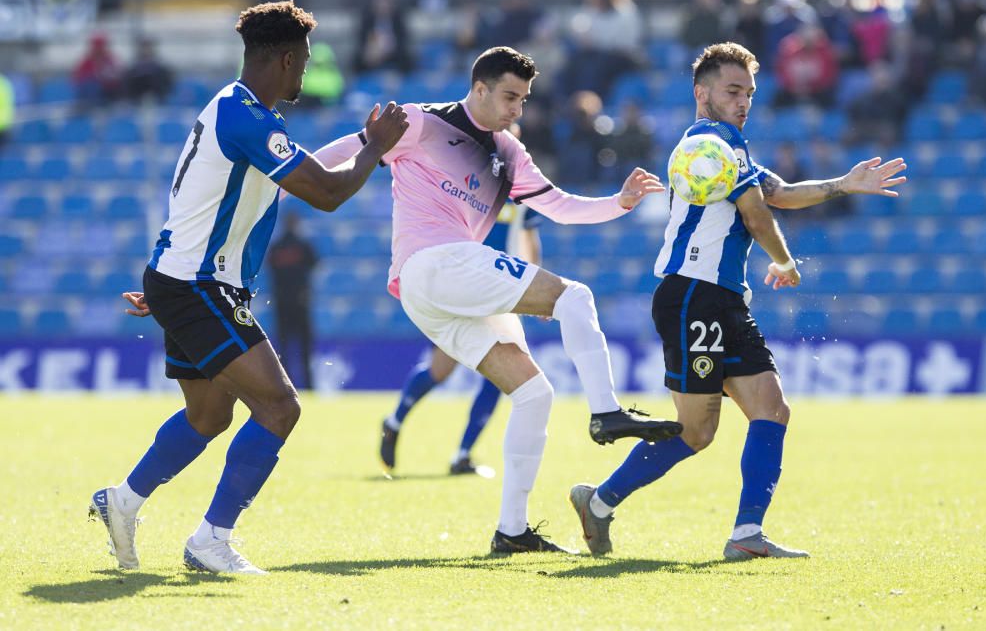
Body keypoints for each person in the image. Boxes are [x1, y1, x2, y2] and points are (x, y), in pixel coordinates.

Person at [287, 46, 682, 555]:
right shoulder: (420, 121)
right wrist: (283, 184)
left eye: (524, 98)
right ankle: (606, 413)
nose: (519, 108)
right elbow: (344, 150)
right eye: (510, 96)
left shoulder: (511, 152)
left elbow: (558, 206)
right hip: (434, 263)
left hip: (430, 291)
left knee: (534, 395)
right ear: (479, 88)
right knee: (575, 296)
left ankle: (511, 531)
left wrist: (619, 203)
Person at [89, 0, 408, 575]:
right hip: (197, 286)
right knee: (279, 406)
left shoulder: (234, 111)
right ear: (285, 58)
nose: (307, 73)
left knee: (210, 417)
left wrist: (163, 288)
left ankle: (124, 501)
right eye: (305, 62)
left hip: (186, 282)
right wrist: (376, 146)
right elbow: (329, 194)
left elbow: (198, 198)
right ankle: (211, 540)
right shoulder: (249, 120)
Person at [569, 42, 906, 561]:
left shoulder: (732, 147)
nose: (744, 100)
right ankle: (601, 501)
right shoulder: (709, 145)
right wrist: (786, 263)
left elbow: (781, 193)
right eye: (732, 90)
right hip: (693, 296)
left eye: (748, 91)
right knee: (697, 432)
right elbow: (755, 214)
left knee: (771, 409)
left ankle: (745, 534)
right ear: (701, 93)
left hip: (722, 299)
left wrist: (844, 184)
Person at [380, 200, 545, 477]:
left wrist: (537, 288)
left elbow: (529, 240)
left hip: (495, 291)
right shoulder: (467, 180)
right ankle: (394, 422)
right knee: (440, 371)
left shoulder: (521, 191)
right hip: (459, 285)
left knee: (502, 375)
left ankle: (462, 455)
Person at [266, 210, 318, 389]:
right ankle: (309, 385)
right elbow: (314, 264)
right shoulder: (302, 245)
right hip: (300, 302)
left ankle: (284, 385)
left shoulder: (277, 246)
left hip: (282, 303)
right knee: (304, 348)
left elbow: (270, 269)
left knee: (284, 348)